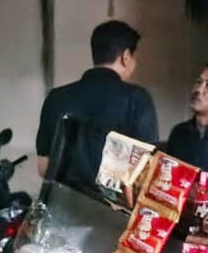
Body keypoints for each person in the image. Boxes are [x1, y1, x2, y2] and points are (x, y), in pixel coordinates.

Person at [36, 19, 159, 190]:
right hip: (113, 205)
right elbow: (146, 168)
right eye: (134, 58)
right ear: (125, 57)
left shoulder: (55, 98)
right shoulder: (137, 99)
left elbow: (43, 167)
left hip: (62, 203)